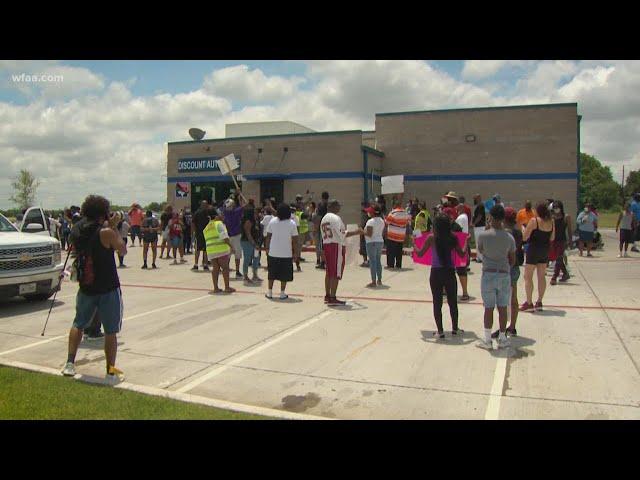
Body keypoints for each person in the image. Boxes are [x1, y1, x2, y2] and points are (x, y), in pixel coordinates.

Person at [61, 195, 126, 383]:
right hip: (107, 286)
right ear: (103, 212)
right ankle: (110, 371)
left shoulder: (77, 230)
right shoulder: (106, 231)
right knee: (111, 331)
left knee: (78, 324)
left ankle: (70, 363)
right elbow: (122, 249)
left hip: (86, 285)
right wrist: (113, 225)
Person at [413, 214, 466, 339]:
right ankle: (455, 329)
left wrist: (414, 244)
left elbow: (420, 253)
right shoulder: (453, 237)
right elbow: (462, 254)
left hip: (436, 272)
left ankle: (440, 331)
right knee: (453, 302)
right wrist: (466, 242)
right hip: (449, 271)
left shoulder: (432, 238)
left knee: (437, 303)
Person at [476, 205, 516, 349]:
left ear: (491, 217)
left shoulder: (483, 235)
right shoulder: (509, 237)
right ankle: (503, 337)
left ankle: (487, 340)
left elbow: (480, 250)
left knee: (488, 308)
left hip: (488, 273)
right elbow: (513, 259)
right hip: (504, 273)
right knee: (503, 307)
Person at [321, 199, 361, 305]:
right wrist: (356, 232)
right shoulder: (335, 218)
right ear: (333, 207)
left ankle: (327, 295)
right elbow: (342, 234)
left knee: (329, 271)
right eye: (338, 206)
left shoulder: (324, 218)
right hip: (335, 245)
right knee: (335, 272)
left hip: (327, 244)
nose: (340, 208)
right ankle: (333, 297)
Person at [492, 207, 523, 339]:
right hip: (515, 267)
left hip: (503, 268)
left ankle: (502, 328)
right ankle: (512, 327)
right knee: (514, 297)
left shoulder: (503, 233)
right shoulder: (518, 232)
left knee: (501, 300)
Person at [521, 201, 555, 312]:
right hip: (545, 250)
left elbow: (525, 237)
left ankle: (529, 302)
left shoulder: (534, 221)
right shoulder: (551, 222)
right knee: (541, 276)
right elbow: (552, 238)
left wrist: (523, 230)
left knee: (528, 277)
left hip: (533, 250)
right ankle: (539, 301)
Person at [264, 203, 300, 300]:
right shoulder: (292, 223)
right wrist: (296, 253)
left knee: (272, 273)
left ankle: (270, 292)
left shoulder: (272, 221)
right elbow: (295, 240)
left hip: (273, 252)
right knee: (284, 274)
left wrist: (267, 248)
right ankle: (282, 293)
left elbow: (268, 237)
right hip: (286, 253)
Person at [203, 208, 235, 294]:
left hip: (211, 251)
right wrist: (231, 246)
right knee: (225, 268)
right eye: (221, 215)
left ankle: (216, 288)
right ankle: (227, 287)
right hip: (221, 250)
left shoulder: (206, 227)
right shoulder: (219, 224)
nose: (223, 216)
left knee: (215, 269)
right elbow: (224, 237)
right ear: (216, 216)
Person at [223, 192, 247, 279]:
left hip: (228, 236)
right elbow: (246, 204)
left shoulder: (225, 212)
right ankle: (237, 271)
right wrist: (240, 194)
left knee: (228, 255)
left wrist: (237, 195)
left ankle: (226, 270)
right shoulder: (236, 211)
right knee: (237, 255)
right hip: (236, 235)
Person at [550, 200, 572, 284]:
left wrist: (570, 241)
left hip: (562, 240)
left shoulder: (566, 217)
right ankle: (565, 273)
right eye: (554, 207)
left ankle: (554, 277)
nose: (556, 209)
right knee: (557, 258)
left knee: (559, 258)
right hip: (553, 240)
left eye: (557, 207)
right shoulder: (552, 217)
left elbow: (569, 230)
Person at [385, 198, 411, 269]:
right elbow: (408, 223)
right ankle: (398, 265)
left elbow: (387, 222)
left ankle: (390, 265)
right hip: (401, 236)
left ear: (394, 205)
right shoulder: (405, 213)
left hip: (392, 236)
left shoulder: (392, 213)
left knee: (391, 251)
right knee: (399, 251)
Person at [363, 205, 385, 287]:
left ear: (372, 212)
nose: (368, 213)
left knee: (372, 261)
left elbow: (369, 234)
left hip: (371, 242)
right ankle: (379, 280)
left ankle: (373, 281)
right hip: (380, 241)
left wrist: (361, 231)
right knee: (378, 260)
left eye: (369, 211)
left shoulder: (370, 221)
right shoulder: (382, 221)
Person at [241, 203, 262, 285]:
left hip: (255, 242)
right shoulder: (248, 221)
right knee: (247, 259)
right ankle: (245, 276)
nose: (256, 214)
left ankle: (255, 274)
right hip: (247, 242)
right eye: (254, 212)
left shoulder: (256, 221)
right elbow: (248, 233)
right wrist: (254, 243)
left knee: (256, 258)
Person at [454, 203, 470, 301]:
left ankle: (464, 292)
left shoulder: (460, 219)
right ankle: (465, 292)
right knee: (461, 270)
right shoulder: (465, 217)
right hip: (462, 243)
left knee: (460, 270)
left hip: (459, 244)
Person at [192, 200, 210, 271]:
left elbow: (193, 223)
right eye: (204, 205)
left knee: (203, 250)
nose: (205, 206)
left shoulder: (207, 213)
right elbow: (193, 223)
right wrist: (194, 232)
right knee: (199, 250)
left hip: (205, 234)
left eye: (206, 205)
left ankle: (203, 264)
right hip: (200, 234)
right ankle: (198, 265)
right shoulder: (199, 213)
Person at [314, 191, 330, 269]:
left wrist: (316, 228)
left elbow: (319, 217)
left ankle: (323, 262)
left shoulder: (321, 205)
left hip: (322, 227)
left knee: (322, 245)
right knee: (328, 244)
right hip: (329, 226)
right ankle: (327, 261)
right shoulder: (330, 205)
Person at [471, 194, 486, 263]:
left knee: (480, 242)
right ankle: (478, 257)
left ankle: (481, 258)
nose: (474, 200)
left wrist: (474, 223)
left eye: (475, 198)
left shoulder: (480, 206)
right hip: (477, 227)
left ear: (478, 198)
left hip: (480, 227)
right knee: (477, 242)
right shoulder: (478, 206)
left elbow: (479, 216)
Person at [358, 203, 370, 267]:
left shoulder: (366, 214)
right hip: (365, 232)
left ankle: (366, 261)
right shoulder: (366, 214)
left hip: (365, 232)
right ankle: (366, 261)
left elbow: (363, 224)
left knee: (364, 247)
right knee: (364, 247)